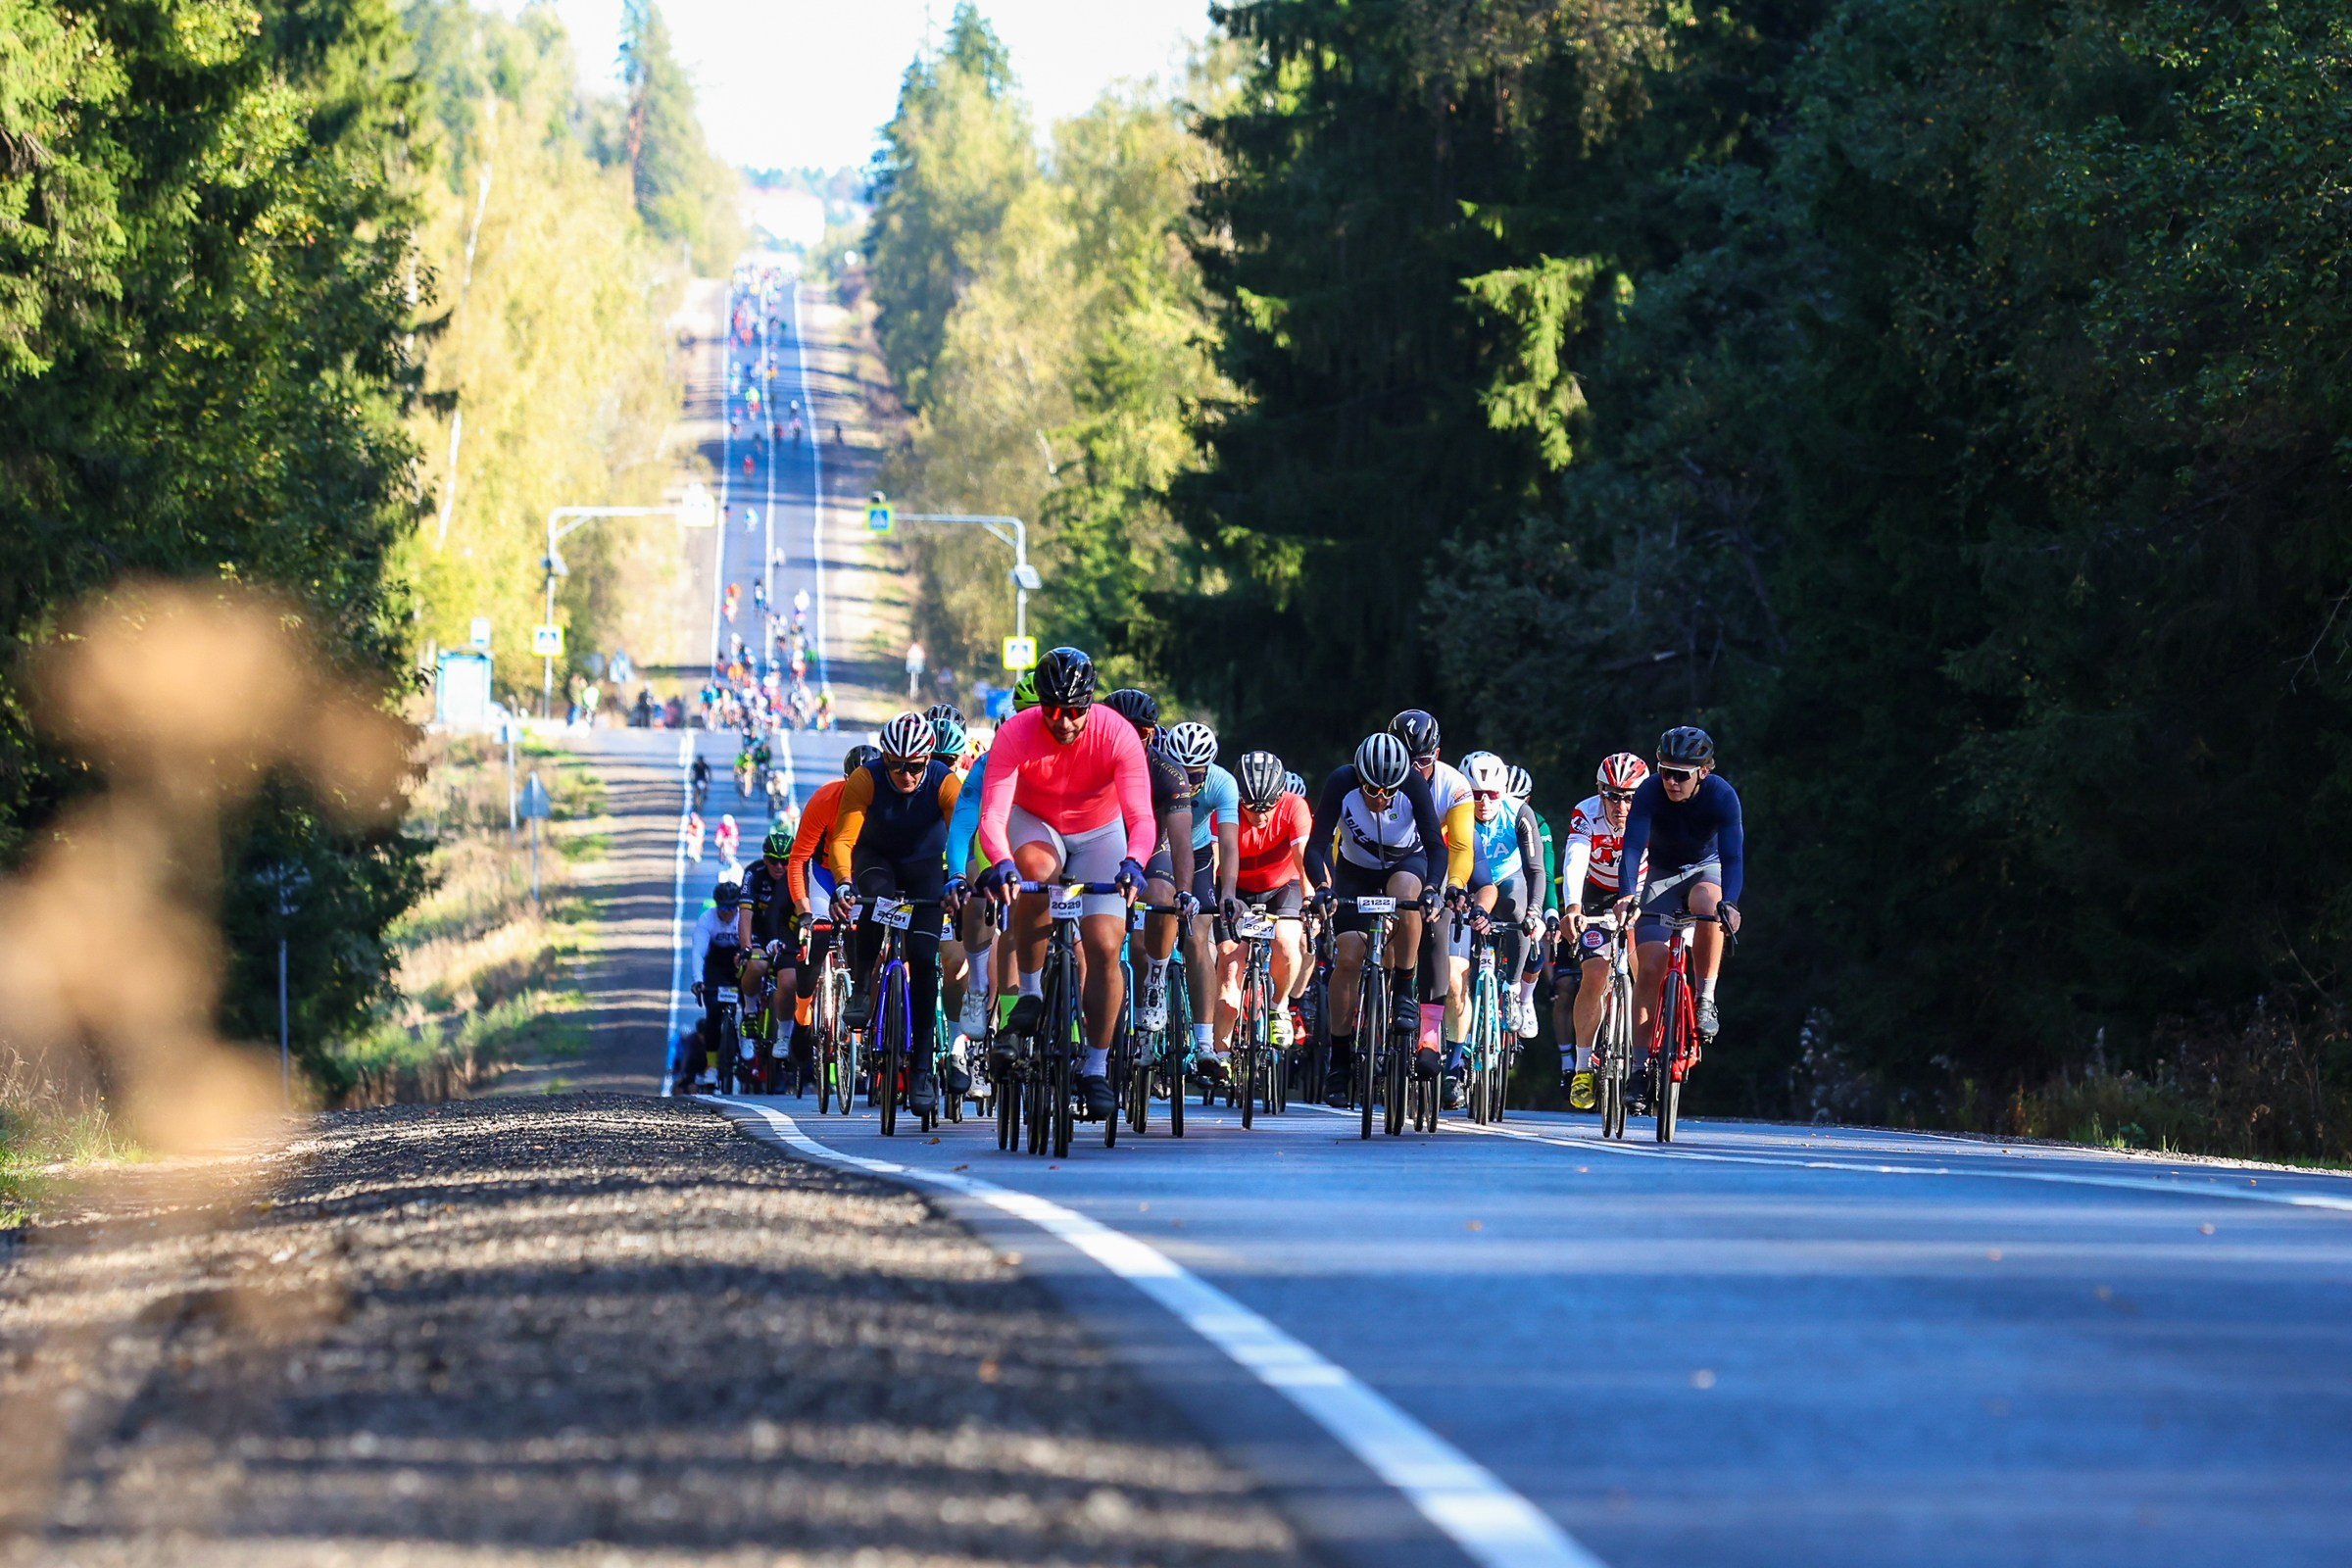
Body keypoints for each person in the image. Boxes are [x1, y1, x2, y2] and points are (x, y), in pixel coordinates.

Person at [969, 647, 1154, 1119]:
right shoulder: (1016, 732)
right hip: (1036, 822)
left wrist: (1134, 862)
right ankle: (1031, 993)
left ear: (1090, 704)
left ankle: (1095, 1066)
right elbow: (993, 816)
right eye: (1053, 710)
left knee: (1105, 944)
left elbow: (1140, 817)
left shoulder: (1117, 734)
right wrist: (1002, 861)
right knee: (1033, 875)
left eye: (1075, 711)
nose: (1064, 722)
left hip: (1100, 833)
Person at [828, 712, 963, 1116]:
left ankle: (921, 1069)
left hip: (925, 869)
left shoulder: (944, 782)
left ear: (928, 760)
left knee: (923, 960)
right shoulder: (865, 779)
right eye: (896, 766)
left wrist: (959, 879)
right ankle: (862, 988)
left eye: (914, 767)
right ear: (884, 759)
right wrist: (843, 883)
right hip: (877, 860)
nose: (905, 775)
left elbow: (962, 835)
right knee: (876, 899)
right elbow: (843, 839)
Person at [1305, 731, 1450, 1103]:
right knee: (1349, 957)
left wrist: (1432, 888)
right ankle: (1339, 1063)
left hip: (1406, 862)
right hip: (1355, 872)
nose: (1381, 798)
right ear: (1359, 778)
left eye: (1389, 791)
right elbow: (1316, 847)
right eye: (1373, 790)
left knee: (1407, 894)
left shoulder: (1413, 783)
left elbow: (1436, 846)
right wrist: (1322, 886)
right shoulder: (1341, 782)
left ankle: (1403, 987)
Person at [1613, 727, 1744, 1051]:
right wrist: (1627, 895)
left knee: (1710, 904)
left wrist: (1731, 903)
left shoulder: (1722, 795)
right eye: (1665, 772)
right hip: (1661, 873)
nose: (1671, 782)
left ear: (1703, 772)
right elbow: (1633, 847)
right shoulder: (1649, 791)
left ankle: (1705, 998)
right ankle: (1639, 1065)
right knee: (1649, 969)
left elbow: (1732, 857)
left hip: (1705, 869)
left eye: (1681, 775)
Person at [1101, 689, 1199, 1050]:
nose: (1129, 738)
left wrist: (1184, 891)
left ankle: (1156, 977)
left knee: (1161, 896)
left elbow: (1182, 841)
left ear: (1152, 734)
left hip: (1151, 848)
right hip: (1102, 846)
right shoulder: (1092, 761)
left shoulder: (1168, 772)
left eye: (1139, 732)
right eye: (1120, 729)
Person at [1562, 753, 1648, 1108]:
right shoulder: (1586, 813)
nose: (1621, 806)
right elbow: (1575, 859)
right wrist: (1573, 907)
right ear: (1600, 791)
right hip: (1597, 892)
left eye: (1630, 797)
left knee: (1647, 971)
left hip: (1642, 890)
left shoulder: (1653, 812)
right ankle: (1583, 1068)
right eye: (1612, 796)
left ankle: (1647, 1060)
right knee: (1595, 974)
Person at [1220, 750, 1310, 1059]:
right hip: (1237, 888)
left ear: (1279, 796)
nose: (1259, 815)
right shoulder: (1226, 807)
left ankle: (1279, 1005)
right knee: (1230, 965)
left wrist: (1309, 897)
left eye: (1267, 806)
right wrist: (1227, 895)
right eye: (1250, 806)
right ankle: (1220, 1054)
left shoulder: (1294, 806)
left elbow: (1303, 860)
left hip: (1281, 887)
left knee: (1286, 942)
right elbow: (1221, 857)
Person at [738, 823, 802, 1089]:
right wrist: (746, 948)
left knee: (790, 981)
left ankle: (785, 1035)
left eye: (785, 861)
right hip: (759, 932)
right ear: (765, 859)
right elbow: (746, 915)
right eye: (774, 861)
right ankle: (750, 1010)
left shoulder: (797, 874)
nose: (779, 866)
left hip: (785, 934)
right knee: (757, 966)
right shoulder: (753, 874)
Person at [689, 881, 746, 1069]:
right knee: (713, 1013)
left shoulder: (744, 918)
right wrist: (698, 980)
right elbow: (698, 952)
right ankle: (712, 1066)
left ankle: (747, 1041)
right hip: (716, 966)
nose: (727, 912)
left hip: (739, 964)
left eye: (732, 908)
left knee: (750, 1004)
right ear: (716, 905)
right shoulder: (707, 919)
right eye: (723, 908)